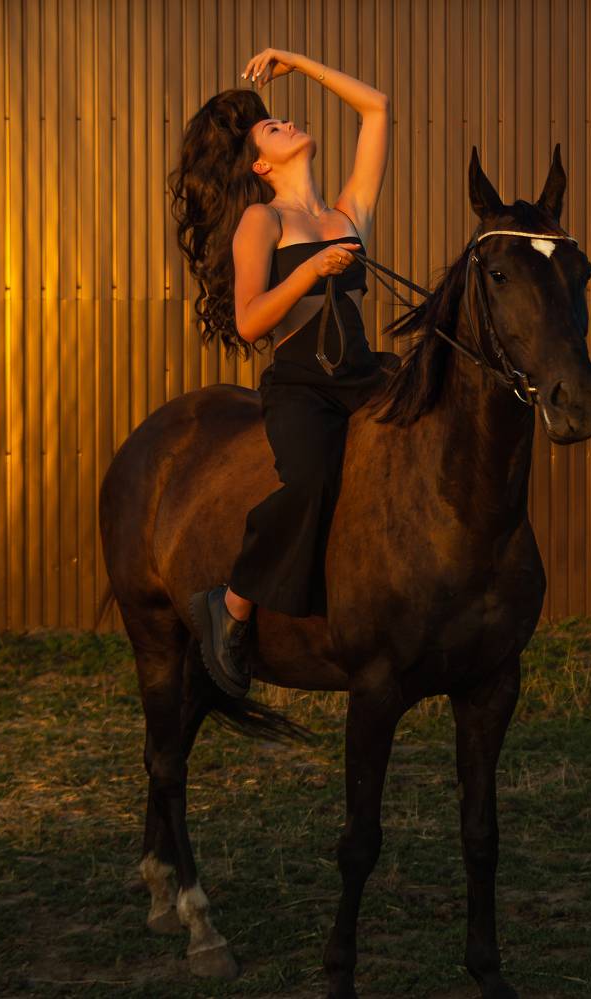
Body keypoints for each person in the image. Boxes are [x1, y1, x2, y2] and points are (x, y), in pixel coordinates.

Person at [167, 47, 396, 696]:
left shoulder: (348, 212)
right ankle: (233, 603)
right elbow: (249, 323)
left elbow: (378, 109)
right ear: (262, 165)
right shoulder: (261, 221)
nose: (290, 122)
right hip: (302, 385)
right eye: (274, 128)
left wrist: (296, 61)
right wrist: (309, 270)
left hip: (361, 374)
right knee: (311, 480)